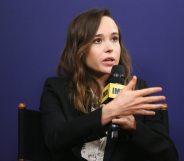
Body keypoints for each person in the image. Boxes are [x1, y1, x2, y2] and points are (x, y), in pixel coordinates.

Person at [39, 8, 178, 161]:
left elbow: (169, 155)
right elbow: (55, 139)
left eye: (114, 39)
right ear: (79, 49)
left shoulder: (137, 90)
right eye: (98, 40)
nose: (110, 48)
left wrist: (134, 126)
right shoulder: (56, 88)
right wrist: (109, 112)